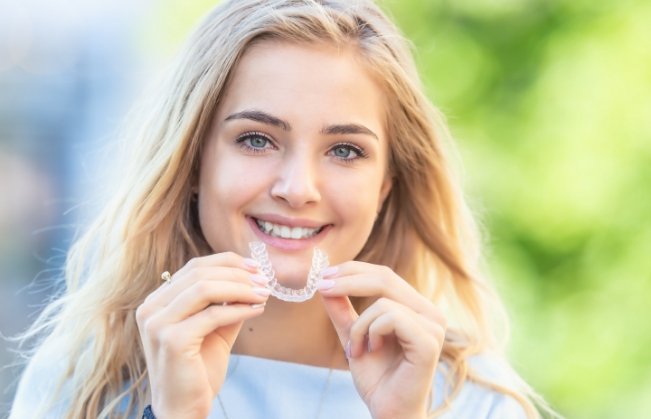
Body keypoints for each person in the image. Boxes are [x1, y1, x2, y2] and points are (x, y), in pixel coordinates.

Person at [10, 0, 554, 418]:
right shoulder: (79, 382)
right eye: (256, 140)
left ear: (386, 185)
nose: (298, 188)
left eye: (345, 150)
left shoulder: (475, 401)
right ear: (193, 160)